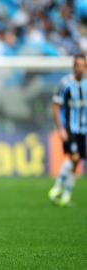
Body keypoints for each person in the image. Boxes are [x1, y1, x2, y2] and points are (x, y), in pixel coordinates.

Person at [48, 54, 87, 207]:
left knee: (76, 162)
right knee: (75, 158)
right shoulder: (65, 83)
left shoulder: (85, 84)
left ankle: (66, 196)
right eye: (78, 65)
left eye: (83, 66)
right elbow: (56, 107)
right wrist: (60, 128)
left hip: (83, 129)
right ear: (73, 66)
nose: (80, 69)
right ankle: (57, 187)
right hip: (70, 127)